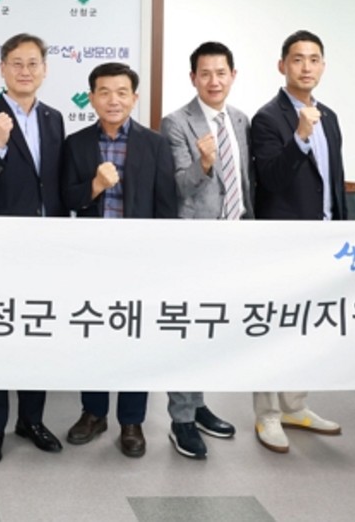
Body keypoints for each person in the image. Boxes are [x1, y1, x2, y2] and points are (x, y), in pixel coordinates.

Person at [64, 61, 232, 460]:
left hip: (139, 262)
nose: (113, 100)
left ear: (134, 98)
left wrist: (159, 263)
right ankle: (93, 412)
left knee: (134, 340)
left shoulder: (153, 144)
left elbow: (165, 206)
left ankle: (131, 421)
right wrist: (95, 185)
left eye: (122, 92)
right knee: (93, 336)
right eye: (104, 92)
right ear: (91, 98)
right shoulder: (75, 144)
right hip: (92, 260)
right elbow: (66, 198)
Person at [0, 32, 67, 465]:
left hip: (46, 247)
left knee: (37, 333)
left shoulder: (55, 118)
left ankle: (31, 420)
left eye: (33, 63)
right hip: (0, 248)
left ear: (44, 69)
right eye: (17, 64)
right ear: (2, 69)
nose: (25, 71)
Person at [154, 41, 253, 457]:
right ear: (193, 78)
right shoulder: (176, 123)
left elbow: (245, 182)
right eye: (205, 73)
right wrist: (205, 163)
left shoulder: (240, 119)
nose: (214, 81)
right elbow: (179, 185)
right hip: (193, 244)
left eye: (221, 73)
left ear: (233, 75)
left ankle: (197, 406)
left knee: (209, 329)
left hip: (234, 239)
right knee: (186, 331)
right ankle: (181, 420)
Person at [249, 30, 346, 453]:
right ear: (282, 65)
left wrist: (341, 231)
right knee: (273, 328)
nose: (306, 67)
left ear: (323, 66)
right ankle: (267, 414)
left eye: (314, 59)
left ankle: (295, 406)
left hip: (322, 239)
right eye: (297, 59)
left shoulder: (330, 116)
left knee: (306, 327)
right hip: (282, 242)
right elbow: (271, 178)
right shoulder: (268, 118)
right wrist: (301, 137)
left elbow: (334, 182)